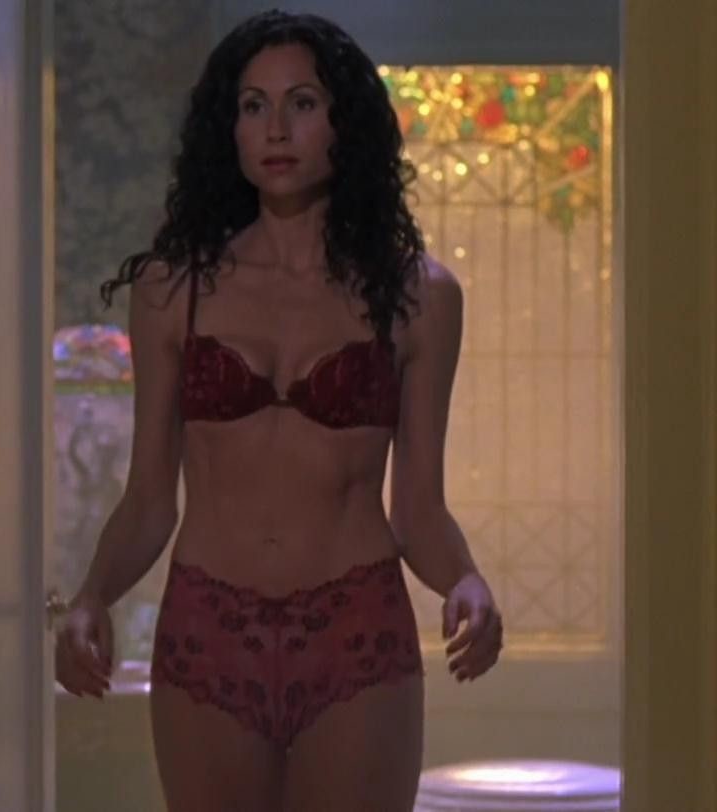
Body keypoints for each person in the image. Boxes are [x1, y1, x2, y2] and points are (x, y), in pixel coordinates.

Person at [51, 10, 503, 811]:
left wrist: (465, 581)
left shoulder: (420, 297)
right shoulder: (172, 291)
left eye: (302, 103)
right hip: (208, 630)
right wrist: (92, 595)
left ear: (344, 122)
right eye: (253, 105)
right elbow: (149, 499)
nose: (276, 129)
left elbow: (419, 510)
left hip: (354, 630)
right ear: (228, 128)